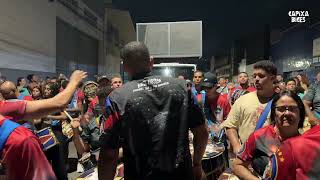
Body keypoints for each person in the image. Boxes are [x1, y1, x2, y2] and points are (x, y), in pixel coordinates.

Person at [98, 42, 208, 180]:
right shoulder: (182, 87)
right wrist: (197, 164)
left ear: (125, 66)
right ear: (151, 61)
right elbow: (202, 132)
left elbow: (108, 154)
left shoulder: (117, 98)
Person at [0, 70, 87, 180]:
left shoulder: (14, 103)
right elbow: (59, 102)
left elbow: (60, 109)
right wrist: (74, 81)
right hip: (20, 148)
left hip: (43, 137)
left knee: (58, 162)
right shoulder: (7, 107)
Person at [232, 91, 305, 179]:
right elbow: (237, 165)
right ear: (274, 114)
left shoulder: (307, 144)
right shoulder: (260, 137)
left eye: (292, 108)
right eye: (281, 109)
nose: (287, 113)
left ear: (300, 113)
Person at [221, 60, 277, 154]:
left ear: (273, 78)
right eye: (254, 76)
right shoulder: (242, 100)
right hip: (247, 157)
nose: (256, 79)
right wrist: (236, 146)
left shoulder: (282, 101)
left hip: (274, 156)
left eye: (261, 76)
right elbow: (230, 125)